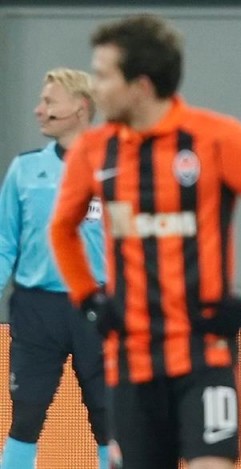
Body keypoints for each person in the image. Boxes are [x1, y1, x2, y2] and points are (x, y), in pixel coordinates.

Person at [48, 14, 241, 469]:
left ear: (141, 85)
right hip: (131, 358)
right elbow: (62, 228)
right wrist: (89, 299)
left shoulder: (216, 138)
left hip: (204, 353)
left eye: (104, 75)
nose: (96, 88)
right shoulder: (94, 151)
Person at [0, 68, 109, 468]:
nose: (38, 110)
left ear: (80, 108)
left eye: (49, 102)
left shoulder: (115, 169)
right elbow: (3, 243)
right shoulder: (24, 169)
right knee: (25, 415)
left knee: (108, 417)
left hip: (99, 308)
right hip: (35, 310)